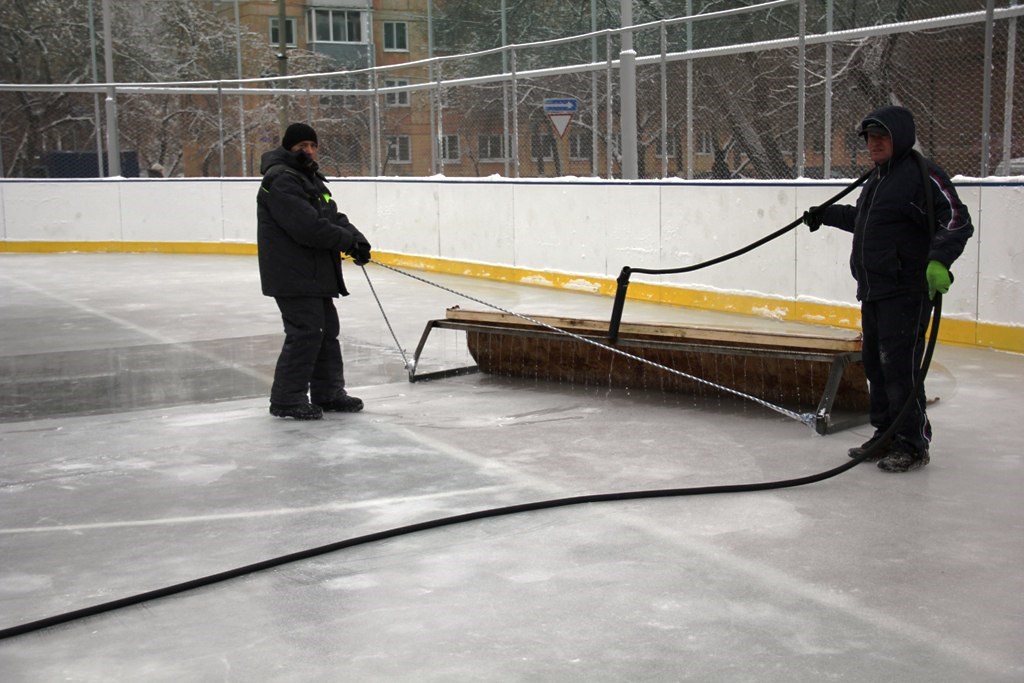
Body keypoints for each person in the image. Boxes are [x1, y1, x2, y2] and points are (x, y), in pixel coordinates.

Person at [803, 105, 973, 472]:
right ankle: (884, 434)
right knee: (876, 369)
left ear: (900, 138)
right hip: (874, 288)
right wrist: (828, 215)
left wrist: (939, 260)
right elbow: (866, 223)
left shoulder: (922, 175)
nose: (874, 144)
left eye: (882, 137)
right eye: (870, 138)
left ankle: (912, 443)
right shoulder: (876, 179)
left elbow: (957, 219)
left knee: (900, 368)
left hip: (907, 290)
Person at [257, 122, 372, 420]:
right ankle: (287, 398)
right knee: (306, 333)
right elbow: (307, 227)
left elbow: (333, 215)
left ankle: (328, 392)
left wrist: (356, 239)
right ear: (288, 147)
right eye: (300, 145)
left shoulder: (308, 178)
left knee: (325, 332)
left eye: (311, 144)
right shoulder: (280, 180)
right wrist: (345, 241)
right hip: (292, 273)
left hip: (315, 271)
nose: (307, 150)